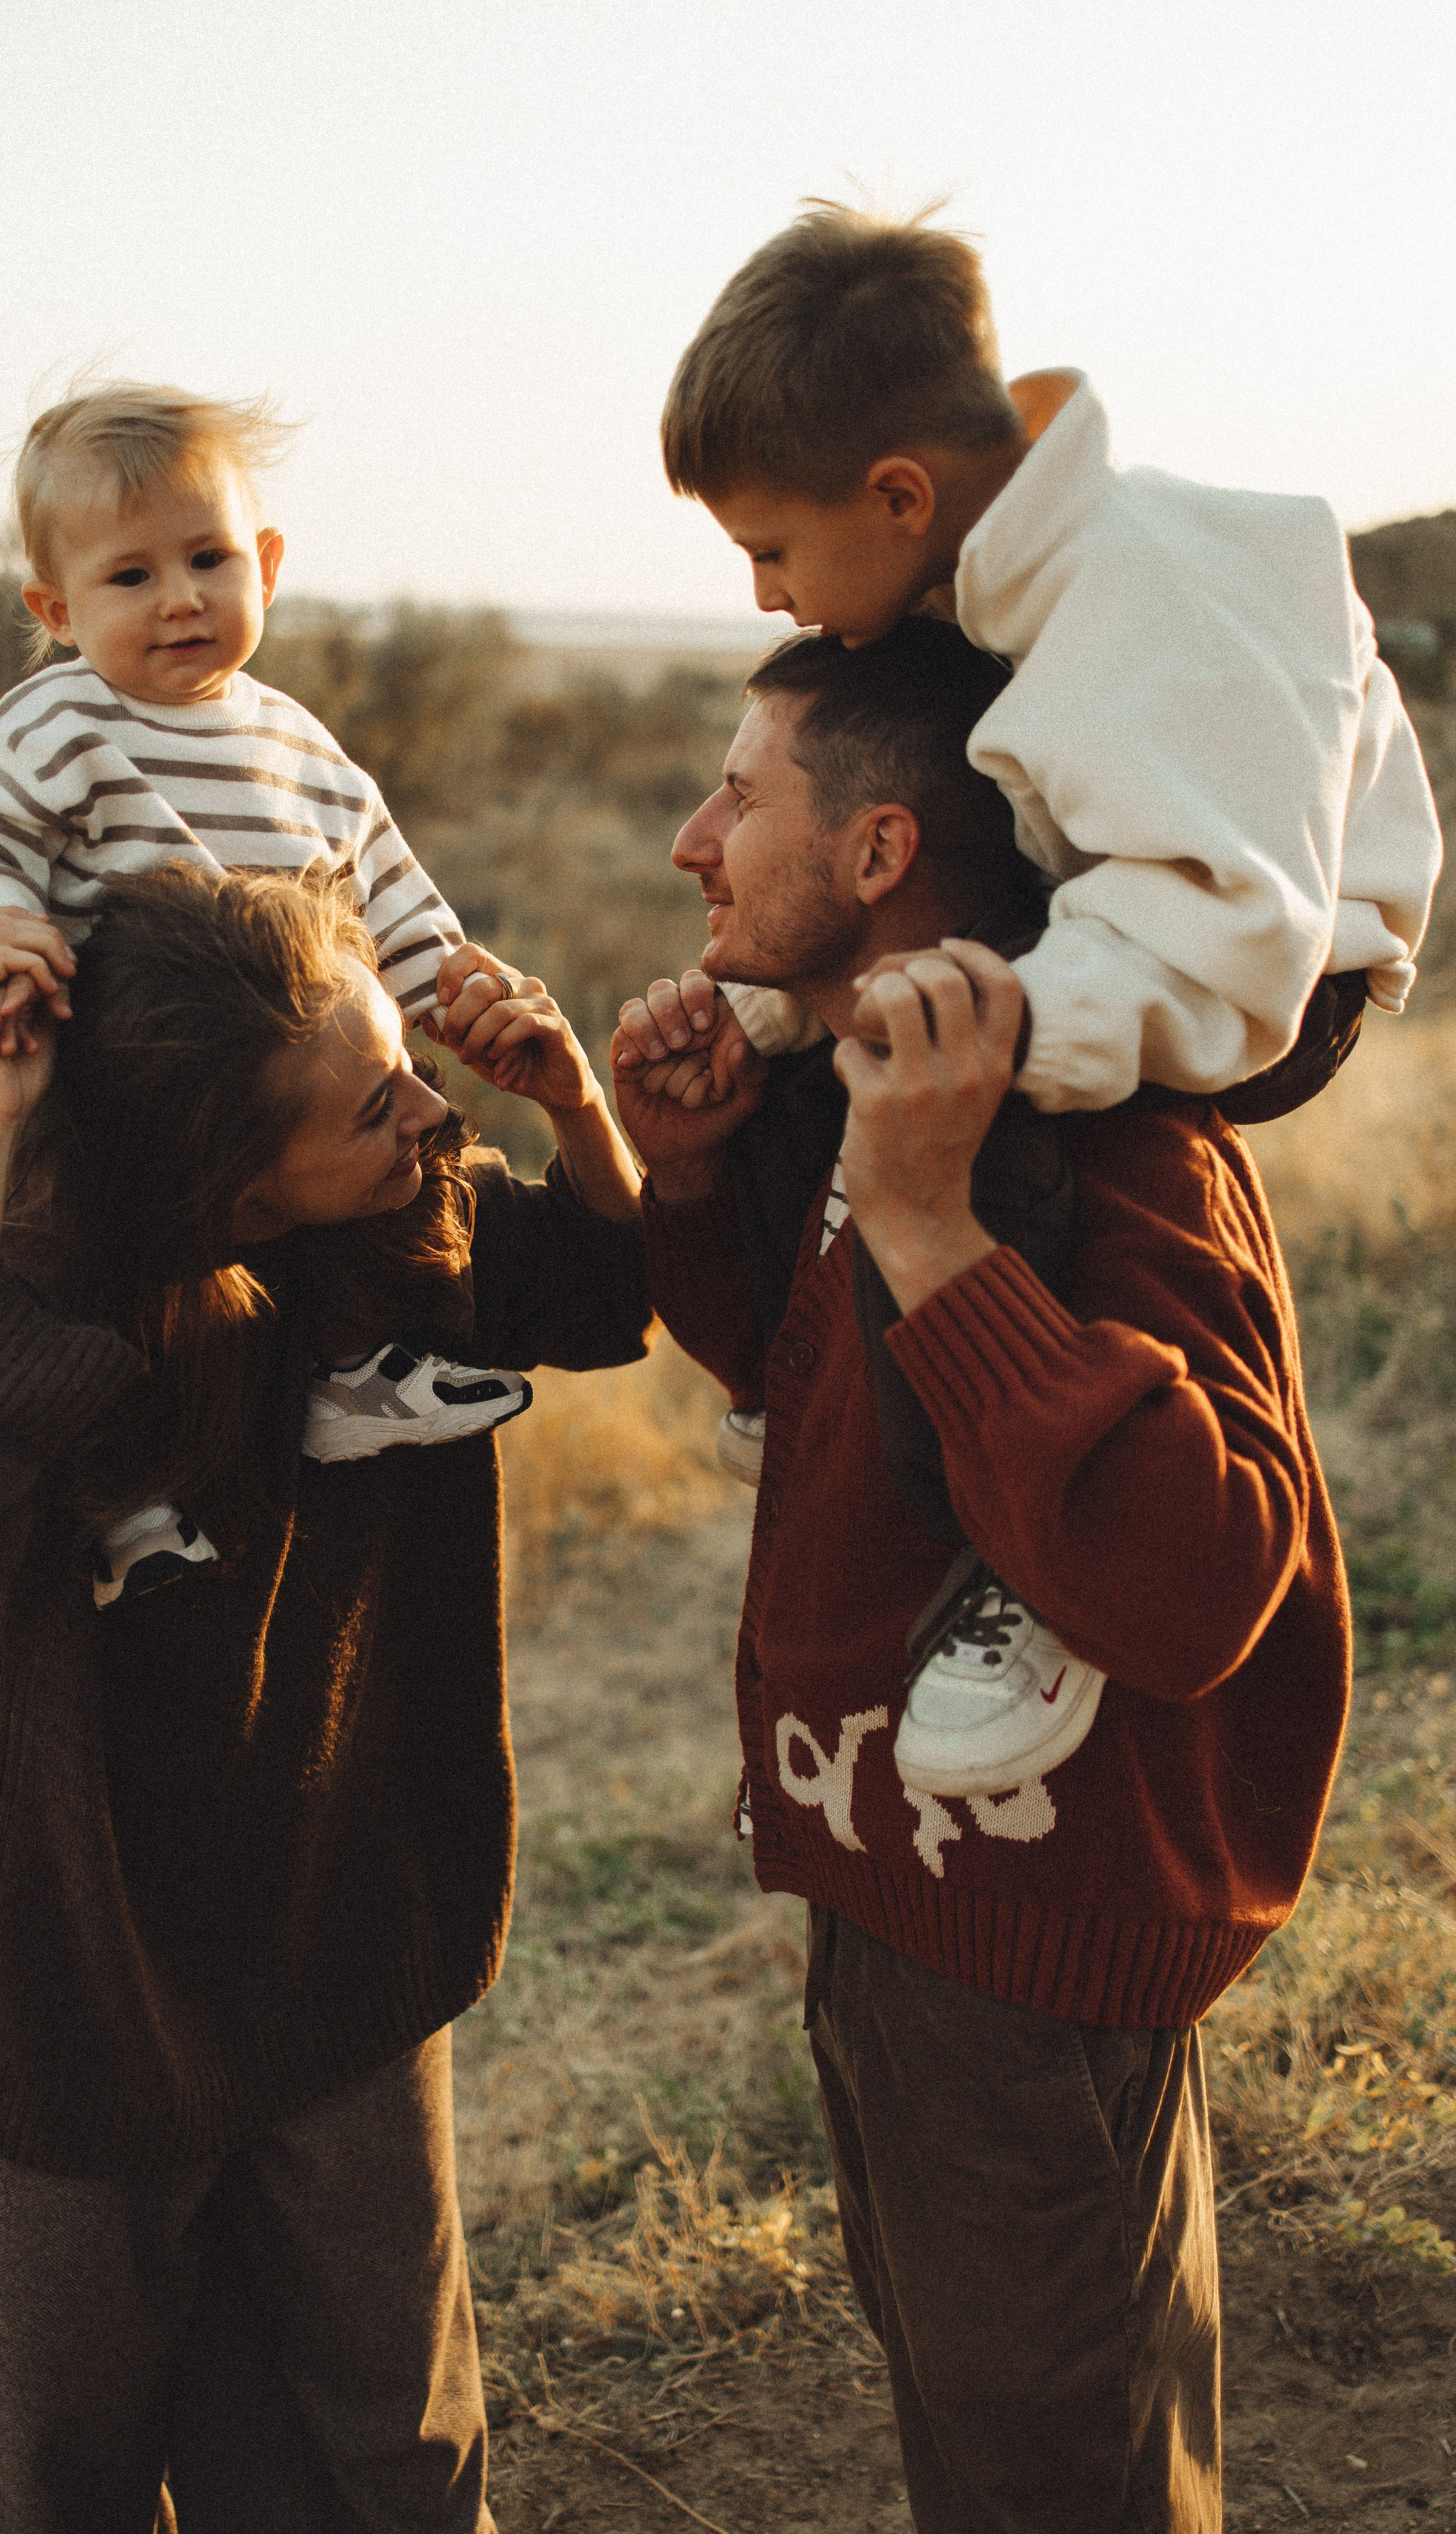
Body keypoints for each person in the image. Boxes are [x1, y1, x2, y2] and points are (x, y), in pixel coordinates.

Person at [0, 861, 651, 2534]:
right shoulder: (63, 1308)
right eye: (373, 1106)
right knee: (51, 2508)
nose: (431, 1115)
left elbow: (606, 1295)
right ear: (233, 1183)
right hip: (84, 1994)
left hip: (350, 1945)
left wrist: (575, 1103)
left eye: (406, 1071)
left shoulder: (396, 1233)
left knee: (393, 2481)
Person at [613, 620, 1350, 2534]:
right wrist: (692, 1182)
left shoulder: (1107, 1134)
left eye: (741, 794)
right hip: (910, 1903)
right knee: (999, 2464)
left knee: (1066, 2511)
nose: (694, 840)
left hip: (1027, 1946)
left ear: (877, 852)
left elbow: (1201, 1579)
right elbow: (831, 1395)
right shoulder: (885, 1090)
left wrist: (933, 1226)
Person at [631, 198, 1440, 1761]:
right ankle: (811, 1387)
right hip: (1129, 915)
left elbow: (1231, 928)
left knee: (948, 1102)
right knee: (836, 1048)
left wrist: (970, 1027)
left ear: (895, 493)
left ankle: (1020, 1571)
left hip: (1262, 966)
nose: (765, 597)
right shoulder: (1009, 567)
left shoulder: (1163, 594)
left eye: (769, 550)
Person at [0, 380, 520, 1492]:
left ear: (266, 565)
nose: (182, 599)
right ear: (58, 610)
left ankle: (358, 1375)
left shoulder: (302, 748)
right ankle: (112, 1488)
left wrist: (458, 989)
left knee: (383, 1192)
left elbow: (385, 890)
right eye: (131, 577)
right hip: (117, 1083)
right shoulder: (58, 723)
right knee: (93, 1273)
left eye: (210, 559)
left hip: (294, 1083)